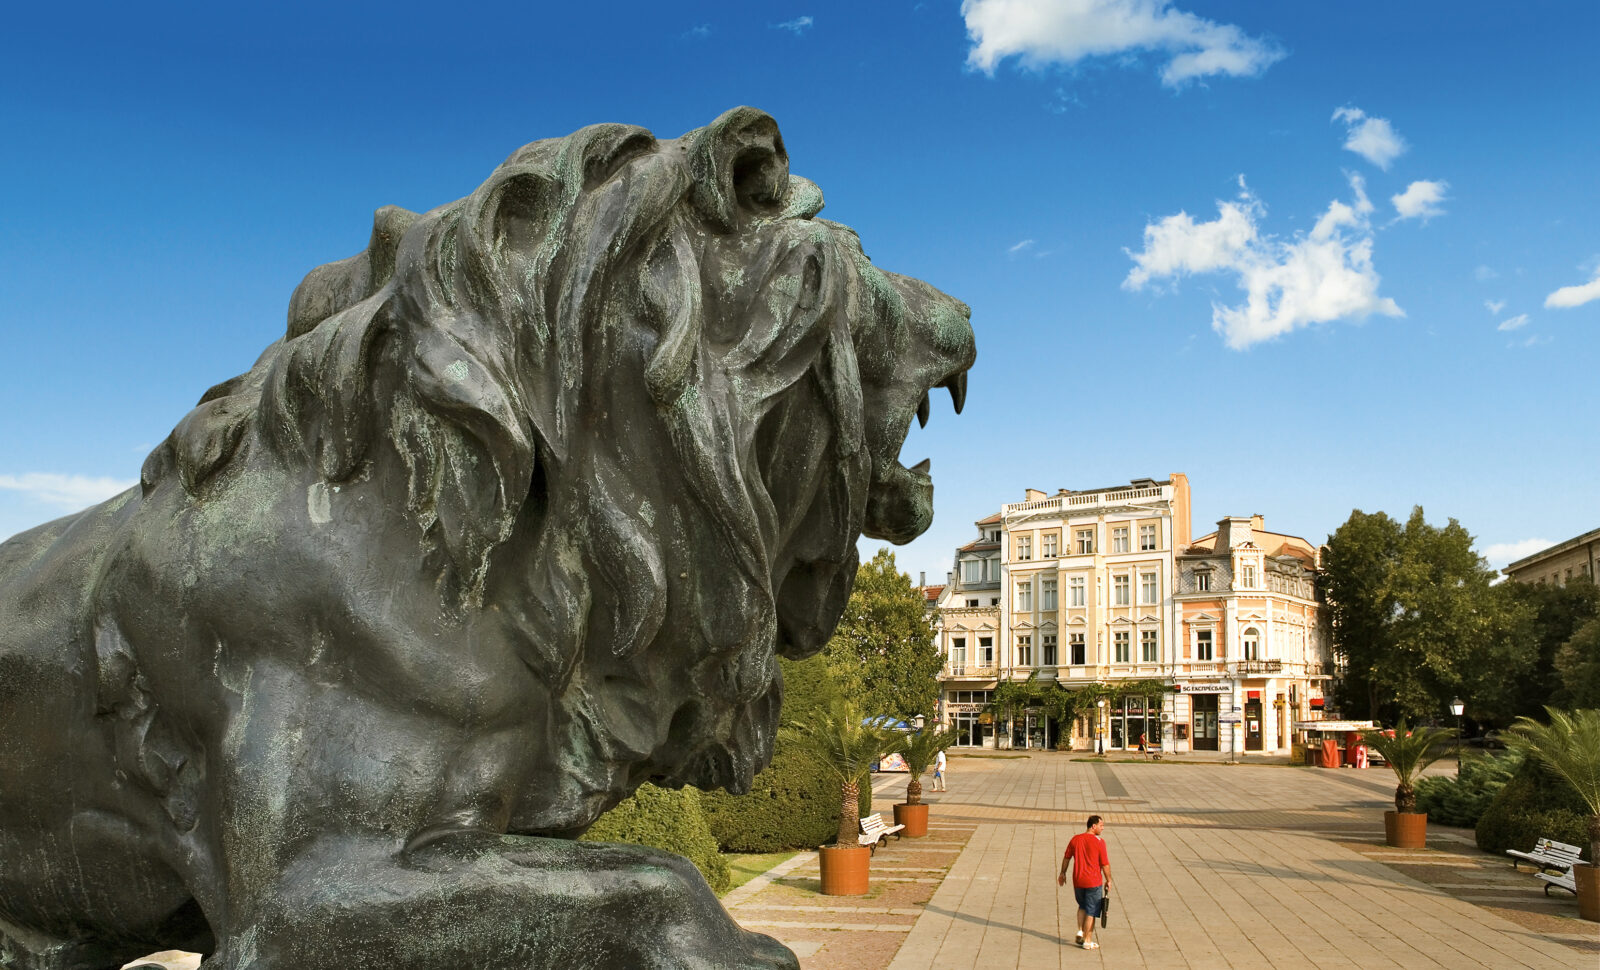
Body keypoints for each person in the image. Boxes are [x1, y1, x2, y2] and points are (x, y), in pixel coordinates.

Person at [1057, 814, 1111, 949]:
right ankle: (1087, 941)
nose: (1103, 828)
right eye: (1101, 825)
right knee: (1091, 911)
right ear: (1094, 826)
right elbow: (1105, 864)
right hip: (1093, 881)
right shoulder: (1099, 842)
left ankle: (1080, 931)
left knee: (1082, 906)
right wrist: (1108, 880)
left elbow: (1066, 857)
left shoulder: (1075, 839)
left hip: (1078, 880)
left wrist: (1063, 873)